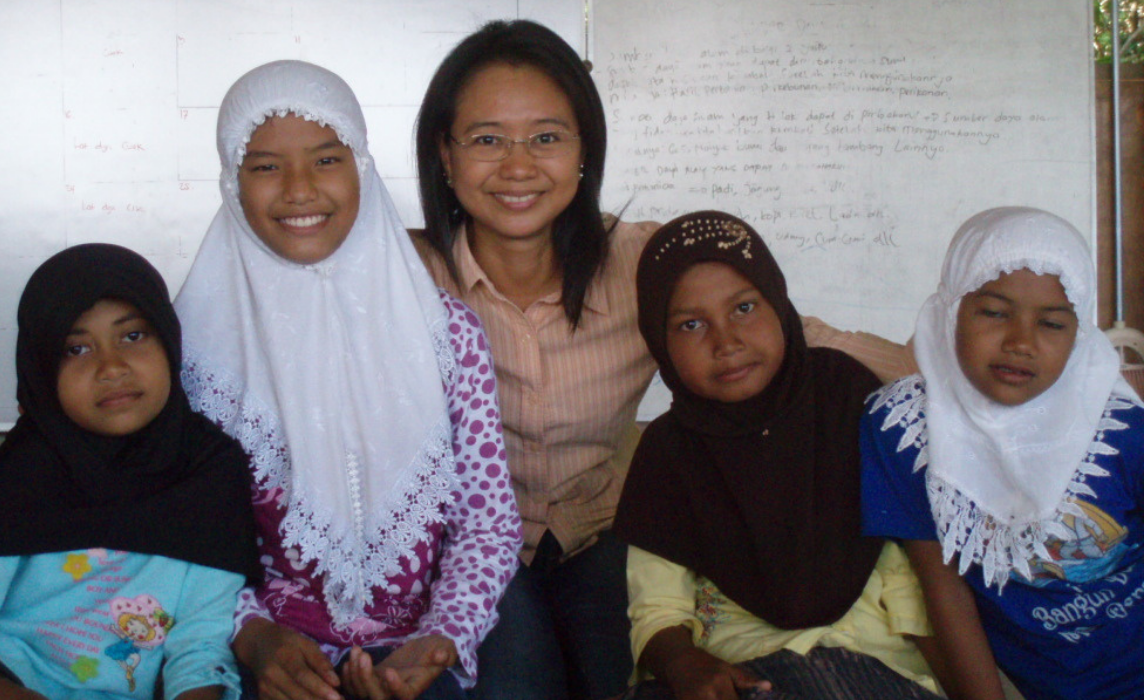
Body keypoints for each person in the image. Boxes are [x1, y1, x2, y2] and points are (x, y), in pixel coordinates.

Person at [413, 19, 917, 700]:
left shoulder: (643, 266)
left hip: (603, 533)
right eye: (486, 139)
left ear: (585, 148)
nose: (518, 165)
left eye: (547, 137)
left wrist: (965, 378)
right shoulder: (408, 281)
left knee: (625, 679)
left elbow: (795, 338)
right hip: (472, 553)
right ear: (445, 156)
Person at [175, 60, 521, 700]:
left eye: (327, 159)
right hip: (268, 658)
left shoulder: (447, 335)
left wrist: (445, 633)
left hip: (418, 650)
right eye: (264, 166)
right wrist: (252, 636)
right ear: (231, 181)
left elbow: (488, 523)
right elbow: (178, 538)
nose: (299, 189)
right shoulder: (193, 355)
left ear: (361, 165)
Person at [612, 211, 940, 700]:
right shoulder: (669, 451)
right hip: (741, 670)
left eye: (744, 308)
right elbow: (657, 605)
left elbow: (914, 578)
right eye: (691, 324)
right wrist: (682, 661)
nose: (726, 343)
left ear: (779, 304)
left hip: (878, 664)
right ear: (659, 342)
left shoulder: (848, 402)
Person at [0, 243, 259, 700]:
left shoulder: (211, 469)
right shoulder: (30, 466)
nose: (111, 367)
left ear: (169, 342)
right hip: (5, 679)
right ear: (40, 370)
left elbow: (199, 645)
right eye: (76, 348)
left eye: (133, 336)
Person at [861, 207, 1144, 700]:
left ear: (1079, 334)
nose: (1020, 343)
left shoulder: (1120, 427)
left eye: (1053, 324)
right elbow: (941, 581)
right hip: (1026, 684)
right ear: (951, 308)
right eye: (993, 313)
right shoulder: (902, 430)